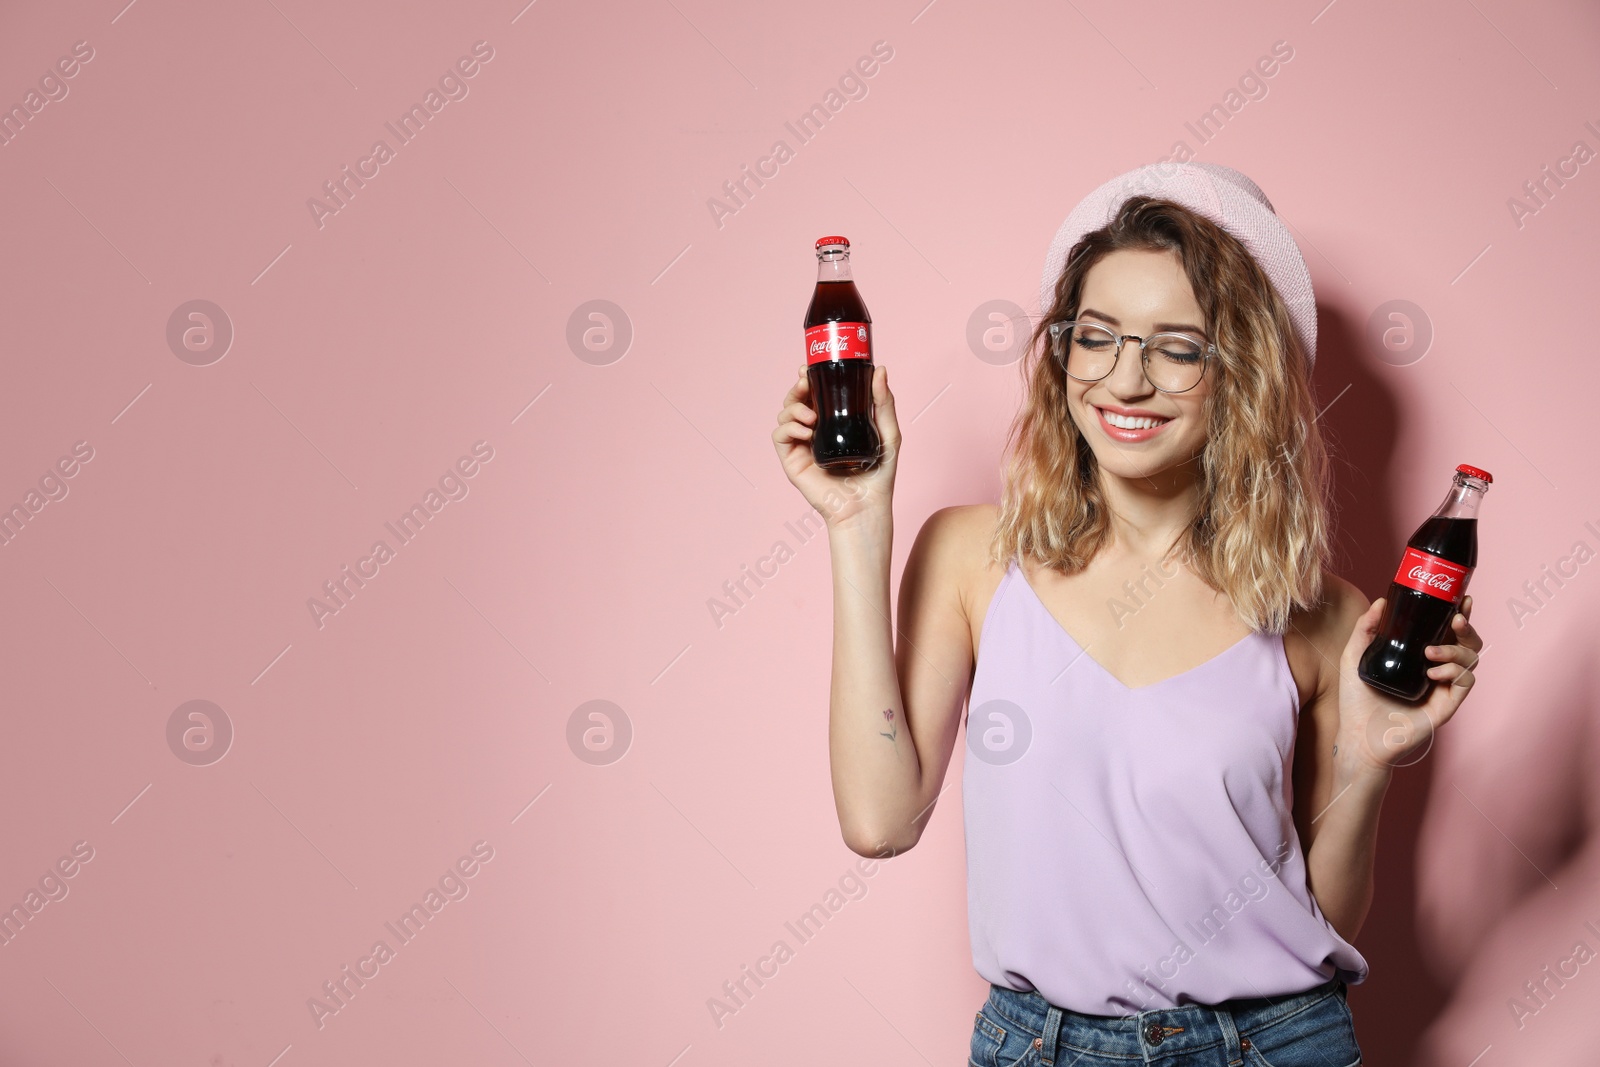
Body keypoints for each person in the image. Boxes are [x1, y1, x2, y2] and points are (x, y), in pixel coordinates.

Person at [771, 162, 1484, 1067]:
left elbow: (1325, 922)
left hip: (1274, 1042)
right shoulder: (970, 560)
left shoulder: (1327, 617)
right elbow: (879, 821)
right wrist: (855, 521)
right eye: (1097, 336)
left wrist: (1370, 759)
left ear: (1243, 376)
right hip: (1042, 1046)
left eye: (1176, 347)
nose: (1125, 380)